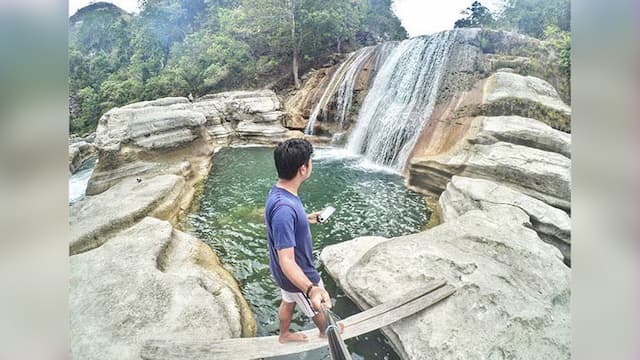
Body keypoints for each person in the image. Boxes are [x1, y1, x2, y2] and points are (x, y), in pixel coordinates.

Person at [265, 138, 343, 343]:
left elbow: (282, 225)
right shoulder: (284, 209)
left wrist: (306, 219)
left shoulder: (280, 192)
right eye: (310, 161)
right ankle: (326, 330)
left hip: (283, 275)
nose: (311, 165)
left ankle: (284, 335)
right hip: (298, 274)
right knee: (318, 304)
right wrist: (311, 288)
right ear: (302, 169)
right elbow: (287, 260)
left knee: (288, 302)